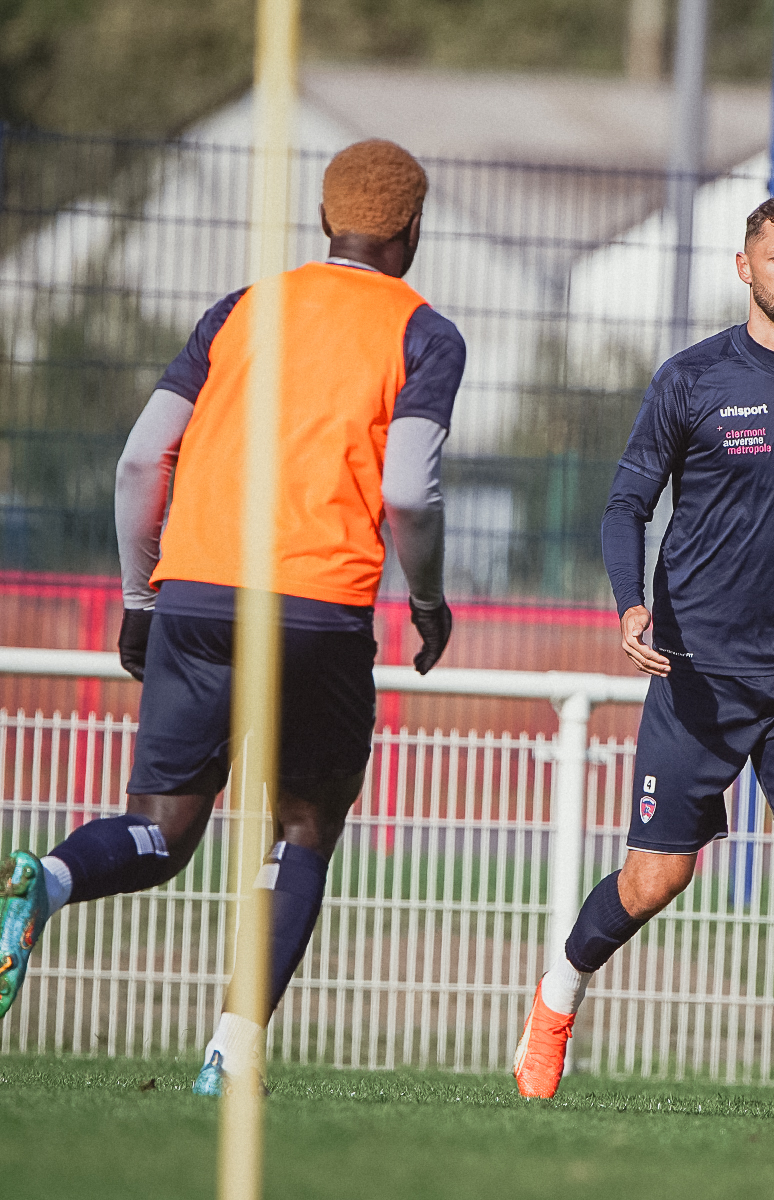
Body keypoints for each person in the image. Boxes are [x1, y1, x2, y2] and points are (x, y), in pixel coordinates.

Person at [0, 139, 462, 1095]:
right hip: (319, 606)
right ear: (412, 230)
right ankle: (229, 1056)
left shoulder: (241, 310)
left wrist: (140, 598)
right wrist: (426, 600)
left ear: (324, 220)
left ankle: (41, 881)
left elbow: (139, 463)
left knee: (164, 831)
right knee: (301, 828)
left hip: (198, 594)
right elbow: (412, 493)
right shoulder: (424, 332)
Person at [511, 193, 774, 1113]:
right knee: (657, 877)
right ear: (746, 266)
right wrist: (629, 607)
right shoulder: (692, 379)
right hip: (696, 673)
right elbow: (626, 505)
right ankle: (556, 1001)